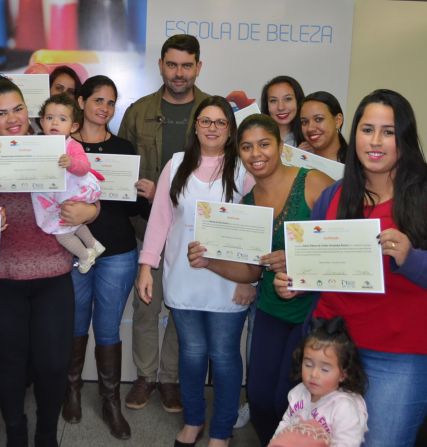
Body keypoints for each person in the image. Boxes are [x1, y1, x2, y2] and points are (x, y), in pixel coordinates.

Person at [0, 75, 99, 447]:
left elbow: (89, 190)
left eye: (18, 109)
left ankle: (46, 433)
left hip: (51, 274)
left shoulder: (53, 146)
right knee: (10, 361)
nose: (13, 118)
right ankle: (16, 430)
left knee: (52, 363)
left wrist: (88, 213)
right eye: (1, 113)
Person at [274, 89, 427, 447]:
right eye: (367, 129)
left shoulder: (421, 197)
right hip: (332, 349)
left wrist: (410, 257)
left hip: (398, 356)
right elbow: (314, 268)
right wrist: (296, 282)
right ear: (354, 133)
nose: (375, 141)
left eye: (388, 132)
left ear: (403, 138)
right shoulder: (335, 195)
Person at [188, 113, 333, 445]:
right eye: (247, 147)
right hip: (270, 310)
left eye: (265, 144)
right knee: (261, 397)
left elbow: (345, 246)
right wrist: (209, 261)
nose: (257, 154)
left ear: (281, 146)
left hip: (314, 313)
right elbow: (252, 271)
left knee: (296, 398)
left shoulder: (313, 182)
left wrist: (298, 257)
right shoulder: (249, 204)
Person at [137, 96, 254, 447]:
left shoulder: (244, 170)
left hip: (229, 281)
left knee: (223, 354)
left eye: (220, 122)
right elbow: (160, 220)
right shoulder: (176, 165)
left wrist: (252, 277)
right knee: (190, 353)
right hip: (184, 276)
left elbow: (256, 226)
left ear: (230, 129)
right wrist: (146, 267)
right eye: (206, 121)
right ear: (196, 125)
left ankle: (221, 430)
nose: (213, 128)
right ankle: (193, 421)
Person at [118, 33, 210, 413]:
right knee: (146, 305)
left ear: (198, 67)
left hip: (193, 232)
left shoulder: (213, 111)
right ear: (160, 65)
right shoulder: (138, 111)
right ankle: (145, 376)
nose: (178, 73)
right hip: (147, 227)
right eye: (171, 64)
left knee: (182, 308)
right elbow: (119, 169)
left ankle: (170, 379)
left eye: (186, 65)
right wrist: (139, 188)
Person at [61, 75, 149, 439]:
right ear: (80, 102)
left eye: (111, 102)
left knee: (109, 328)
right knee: (75, 324)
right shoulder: (62, 147)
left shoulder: (125, 148)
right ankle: (72, 390)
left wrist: (146, 193)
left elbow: (131, 206)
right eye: (98, 100)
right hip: (73, 249)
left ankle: (110, 400)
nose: (104, 108)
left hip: (117, 252)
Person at [31, 93, 105, 273]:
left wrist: (72, 163)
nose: (54, 123)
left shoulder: (72, 145)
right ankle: (94, 244)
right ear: (41, 122)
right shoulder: (37, 144)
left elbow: (84, 166)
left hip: (72, 192)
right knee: (75, 225)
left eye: (62, 119)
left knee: (62, 233)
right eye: (49, 118)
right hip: (54, 194)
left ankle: (85, 255)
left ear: (73, 126)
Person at [269, 317, 368, 447]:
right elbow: (286, 423)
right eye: (308, 364)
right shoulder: (298, 393)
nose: (314, 374)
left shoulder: (344, 408)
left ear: (343, 374)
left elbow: (346, 443)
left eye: (325, 369)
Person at [299, 91, 348, 162]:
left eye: (318, 119)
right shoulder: (297, 161)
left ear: (338, 121)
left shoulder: (357, 165)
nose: (310, 128)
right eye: (304, 122)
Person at [260, 75, 305, 147]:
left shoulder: (310, 138)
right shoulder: (256, 138)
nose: (281, 107)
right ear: (266, 105)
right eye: (273, 101)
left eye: (288, 99)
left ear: (298, 101)